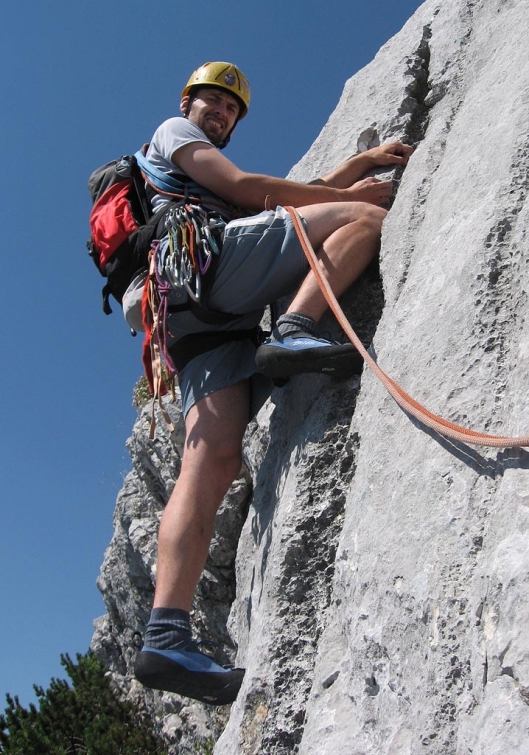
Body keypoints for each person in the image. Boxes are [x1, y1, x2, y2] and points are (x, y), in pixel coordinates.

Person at [133, 62, 413, 705]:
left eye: (232, 110)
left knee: (211, 463)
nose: (222, 113)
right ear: (188, 101)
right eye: (214, 101)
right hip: (208, 268)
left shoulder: (188, 176)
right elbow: (251, 188)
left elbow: (290, 194)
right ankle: (294, 326)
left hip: (194, 318)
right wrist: (357, 197)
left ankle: (165, 635)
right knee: (362, 224)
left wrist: (355, 164)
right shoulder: (174, 133)